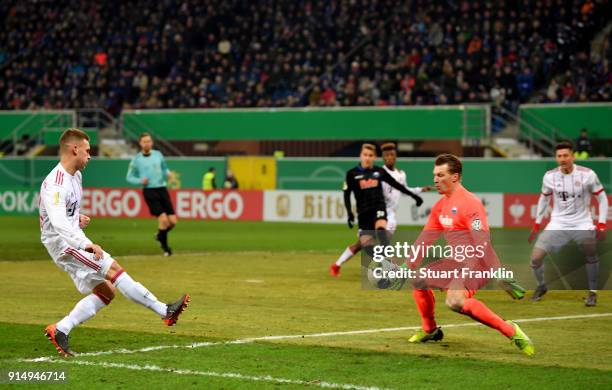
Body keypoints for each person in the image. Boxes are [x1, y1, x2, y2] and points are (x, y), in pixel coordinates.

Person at [40, 128, 189, 357]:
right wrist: (85, 244)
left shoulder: (76, 176)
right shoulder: (56, 183)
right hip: (64, 245)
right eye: (87, 151)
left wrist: (77, 218)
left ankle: (61, 328)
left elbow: (62, 215)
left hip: (71, 239)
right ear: (74, 149)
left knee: (106, 292)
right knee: (114, 270)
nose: (90, 156)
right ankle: (164, 311)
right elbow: (59, 224)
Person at [407, 154, 534, 355]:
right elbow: (427, 236)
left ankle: (512, 331)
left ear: (455, 177)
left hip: (477, 262)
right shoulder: (441, 205)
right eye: (434, 175)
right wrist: (411, 262)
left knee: (455, 301)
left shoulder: (470, 204)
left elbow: (482, 244)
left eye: (440, 175)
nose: (435, 180)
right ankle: (430, 330)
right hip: (455, 261)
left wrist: (500, 275)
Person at [330, 142, 431, 277]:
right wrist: (349, 214)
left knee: (382, 233)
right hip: (364, 214)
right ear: (360, 155)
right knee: (366, 246)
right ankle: (337, 265)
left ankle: (391, 269)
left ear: (374, 157)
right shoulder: (352, 174)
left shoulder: (380, 172)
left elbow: (398, 186)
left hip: (380, 210)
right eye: (365, 155)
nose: (367, 158)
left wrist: (415, 196)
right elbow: (346, 194)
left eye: (370, 155)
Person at [528, 141, 607, 306]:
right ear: (556, 158)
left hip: (582, 222)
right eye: (559, 156)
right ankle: (541, 286)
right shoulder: (550, 176)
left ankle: (592, 292)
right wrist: (537, 223)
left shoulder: (588, 175)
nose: (562, 159)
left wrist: (601, 223)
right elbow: (544, 198)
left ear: (572, 156)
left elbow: (602, 198)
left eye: (565, 155)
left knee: (590, 251)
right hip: (558, 223)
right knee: (535, 258)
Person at [126, 133, 176, 256]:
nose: (147, 143)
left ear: (151, 142)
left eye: (149, 141)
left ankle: (160, 235)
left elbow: (164, 168)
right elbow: (129, 177)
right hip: (149, 191)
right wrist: (140, 181)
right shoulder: (136, 160)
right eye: (144, 142)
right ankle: (166, 249)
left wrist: (168, 173)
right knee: (163, 219)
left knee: (173, 221)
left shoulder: (158, 155)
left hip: (162, 189)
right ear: (140, 143)